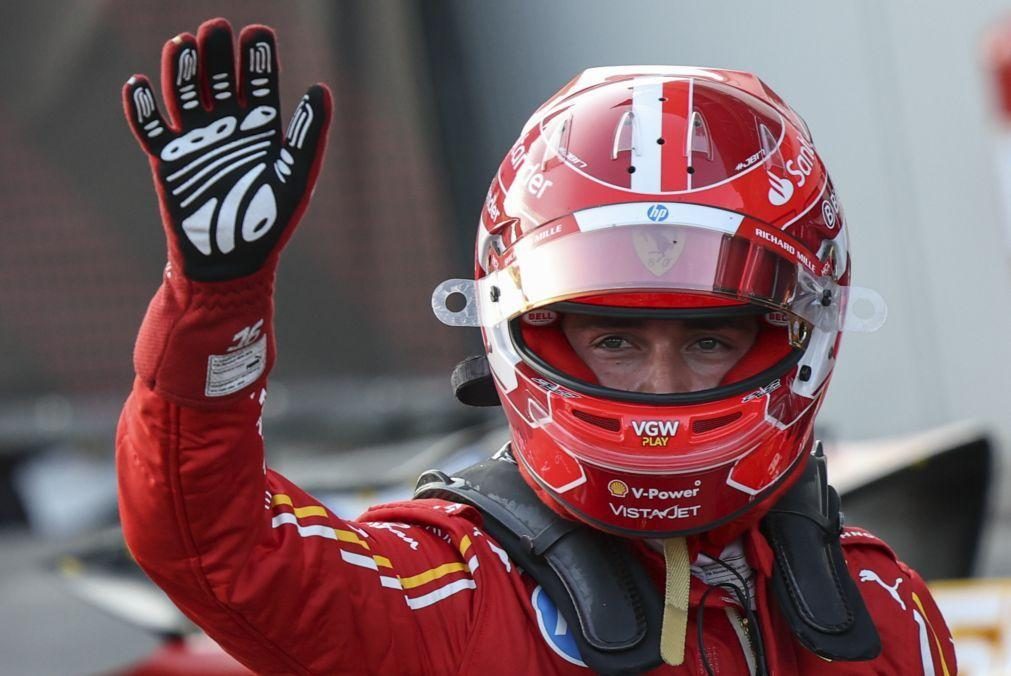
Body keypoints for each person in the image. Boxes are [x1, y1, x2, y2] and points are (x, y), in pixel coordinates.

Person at [117, 18, 956, 676]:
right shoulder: (449, 601)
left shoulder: (884, 614)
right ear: (510, 329)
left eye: (708, 339)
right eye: (615, 339)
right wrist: (214, 302)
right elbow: (212, 541)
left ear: (803, 332)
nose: (659, 388)